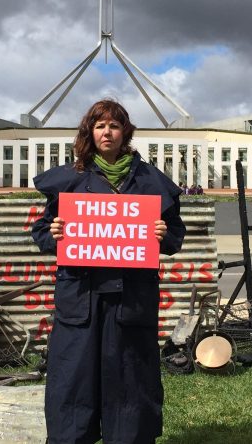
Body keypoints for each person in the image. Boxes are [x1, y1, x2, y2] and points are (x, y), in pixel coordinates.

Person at [31, 99, 186, 443]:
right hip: (80, 301)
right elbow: (41, 229)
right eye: (100, 125)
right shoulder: (70, 179)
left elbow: (176, 235)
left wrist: (164, 235)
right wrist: (53, 234)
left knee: (130, 384)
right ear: (90, 131)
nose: (107, 132)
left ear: (124, 133)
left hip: (130, 303)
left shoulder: (149, 180)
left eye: (114, 126)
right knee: (73, 383)